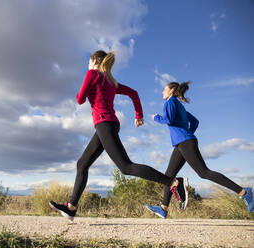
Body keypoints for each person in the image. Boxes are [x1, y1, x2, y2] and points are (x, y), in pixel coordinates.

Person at [49, 50, 188, 221]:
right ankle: (71, 207)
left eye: (89, 62)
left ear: (94, 61)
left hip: (104, 124)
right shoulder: (110, 81)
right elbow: (134, 93)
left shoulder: (92, 74)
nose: (88, 65)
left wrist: (88, 81)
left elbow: (79, 99)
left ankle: (173, 183)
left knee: (126, 167)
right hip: (108, 125)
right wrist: (138, 115)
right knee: (82, 163)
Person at [145, 81, 254, 219]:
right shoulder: (180, 106)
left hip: (184, 142)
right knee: (168, 176)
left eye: (164, 89)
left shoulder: (170, 102)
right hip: (182, 143)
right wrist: (187, 134)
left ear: (171, 90)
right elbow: (195, 122)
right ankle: (163, 208)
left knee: (204, 172)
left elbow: (169, 119)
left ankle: (244, 192)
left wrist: (156, 118)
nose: (162, 92)